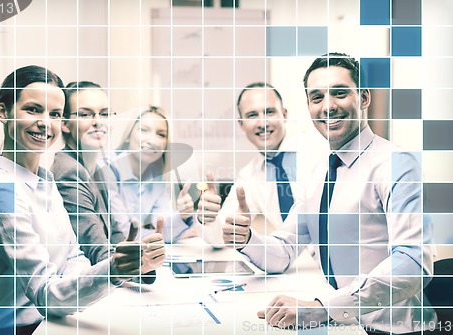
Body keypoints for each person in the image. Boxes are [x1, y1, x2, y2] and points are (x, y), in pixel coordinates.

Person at [224, 54, 436, 334]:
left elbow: (412, 263)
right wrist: (247, 239)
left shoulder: (397, 164)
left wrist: (324, 307)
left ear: (363, 98)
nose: (328, 106)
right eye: (317, 97)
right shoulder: (319, 173)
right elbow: (285, 250)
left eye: (339, 93)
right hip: (343, 325)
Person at [0, 66, 146, 334]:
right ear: (3, 112)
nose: (46, 122)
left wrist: (71, 281)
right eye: (33, 109)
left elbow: (74, 256)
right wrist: (112, 271)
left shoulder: (44, 181)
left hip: (46, 324)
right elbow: (46, 293)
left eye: (54, 114)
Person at [50, 81, 165, 281]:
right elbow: (96, 248)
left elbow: (115, 235)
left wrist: (144, 264)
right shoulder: (69, 171)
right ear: (65, 124)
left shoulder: (99, 172)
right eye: (85, 114)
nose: (97, 121)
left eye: (104, 114)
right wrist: (139, 265)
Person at [197, 82, 322, 246]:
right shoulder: (250, 175)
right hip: (297, 266)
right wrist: (207, 218)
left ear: (284, 114)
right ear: (241, 124)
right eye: (252, 115)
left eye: (269, 112)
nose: (262, 123)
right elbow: (221, 238)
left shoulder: (320, 149)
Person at [103, 105, 195, 242]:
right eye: (144, 130)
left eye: (161, 134)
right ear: (128, 136)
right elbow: (124, 235)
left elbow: (162, 228)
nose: (153, 141)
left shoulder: (156, 176)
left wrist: (183, 215)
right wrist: (174, 233)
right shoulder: (108, 169)